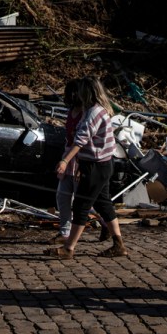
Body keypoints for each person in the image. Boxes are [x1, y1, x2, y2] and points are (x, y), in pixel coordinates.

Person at [46, 76, 127, 260]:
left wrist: (65, 161)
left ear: (86, 92)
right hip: (103, 164)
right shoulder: (101, 110)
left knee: (81, 206)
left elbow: (80, 141)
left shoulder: (92, 113)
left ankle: (69, 248)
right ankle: (118, 244)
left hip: (96, 166)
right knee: (103, 203)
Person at [49, 79, 83, 245]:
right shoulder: (71, 112)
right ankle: (64, 231)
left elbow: (82, 142)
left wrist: (75, 162)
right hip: (68, 157)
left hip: (80, 159)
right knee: (62, 196)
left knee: (82, 200)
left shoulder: (86, 114)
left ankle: (106, 221)